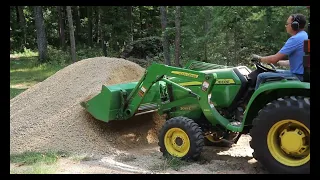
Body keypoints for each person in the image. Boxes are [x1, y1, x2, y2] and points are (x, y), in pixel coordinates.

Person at [252, 13, 308, 90]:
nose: (286, 26)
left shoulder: (295, 39)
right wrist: (278, 63)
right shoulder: (304, 35)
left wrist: (259, 58)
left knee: (261, 76)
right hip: (302, 75)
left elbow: (274, 58)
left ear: (295, 25)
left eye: (287, 23)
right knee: (276, 71)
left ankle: (256, 101)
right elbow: (298, 61)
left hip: (298, 76)